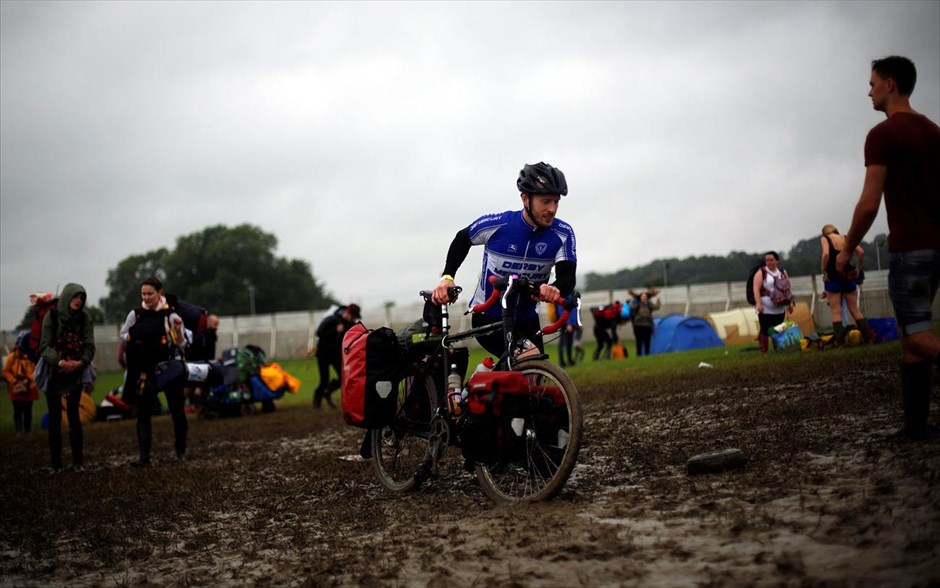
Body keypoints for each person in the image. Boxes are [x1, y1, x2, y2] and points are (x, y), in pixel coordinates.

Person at [837, 55, 940, 439]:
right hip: (936, 246)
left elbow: (868, 204)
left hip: (911, 247)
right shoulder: (933, 131)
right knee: (913, 336)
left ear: (890, 84)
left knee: (914, 334)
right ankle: (915, 427)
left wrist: (847, 248)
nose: (869, 90)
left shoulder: (882, 135)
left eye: (872, 83)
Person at [431, 162, 577, 357]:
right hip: (488, 316)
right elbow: (462, 239)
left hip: (527, 319)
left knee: (536, 378)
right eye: (546, 201)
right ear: (526, 199)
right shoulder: (498, 225)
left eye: (556, 202)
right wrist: (448, 276)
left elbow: (567, 278)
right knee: (530, 358)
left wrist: (555, 288)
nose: (552, 209)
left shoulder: (563, 234)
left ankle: (487, 378)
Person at [119, 277, 189, 466]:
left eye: (150, 293)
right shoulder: (135, 315)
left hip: (169, 368)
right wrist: (134, 336)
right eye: (143, 294)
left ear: (160, 293)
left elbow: (183, 344)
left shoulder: (171, 316)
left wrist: (179, 332)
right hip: (144, 369)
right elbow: (123, 334)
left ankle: (180, 451)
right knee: (143, 412)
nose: (147, 297)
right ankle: (144, 458)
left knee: (177, 410)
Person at [38, 283, 96, 471]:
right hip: (55, 372)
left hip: (76, 374)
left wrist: (80, 363)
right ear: (66, 297)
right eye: (74, 297)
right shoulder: (52, 317)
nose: (78, 301)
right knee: (55, 417)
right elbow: (44, 346)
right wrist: (61, 362)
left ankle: (78, 462)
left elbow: (89, 345)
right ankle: (56, 464)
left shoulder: (84, 318)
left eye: (81, 298)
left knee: (74, 416)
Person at [820, 224, 870, 346]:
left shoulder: (825, 238)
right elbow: (861, 252)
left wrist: (824, 270)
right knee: (854, 310)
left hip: (833, 278)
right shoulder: (847, 238)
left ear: (824, 233)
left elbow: (826, 254)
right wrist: (858, 267)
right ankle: (868, 339)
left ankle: (841, 343)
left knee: (836, 311)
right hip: (848, 277)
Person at [312, 304, 361, 409]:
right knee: (324, 380)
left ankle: (327, 392)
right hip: (323, 354)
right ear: (347, 312)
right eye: (353, 316)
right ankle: (317, 402)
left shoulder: (350, 325)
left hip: (337, 355)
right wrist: (335, 331)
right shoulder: (332, 319)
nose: (353, 319)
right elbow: (319, 332)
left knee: (343, 378)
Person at [752, 251, 795, 353]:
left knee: (778, 328)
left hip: (780, 307)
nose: (769, 262)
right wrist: (758, 303)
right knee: (765, 329)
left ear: (777, 261)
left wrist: (790, 303)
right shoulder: (761, 272)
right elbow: (756, 288)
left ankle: (778, 348)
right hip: (766, 308)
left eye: (771, 260)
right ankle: (764, 350)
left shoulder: (783, 272)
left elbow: (787, 289)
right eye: (767, 260)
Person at [3, 344, 40, 434]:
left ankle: (28, 430)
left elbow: (37, 370)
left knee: (28, 409)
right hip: (16, 385)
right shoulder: (12, 356)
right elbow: (6, 371)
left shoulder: (32, 356)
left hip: (30, 385)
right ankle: (18, 430)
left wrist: (29, 379)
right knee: (17, 409)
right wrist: (14, 380)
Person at [630, 289, 661, 357]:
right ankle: (639, 355)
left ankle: (647, 355)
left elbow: (657, 307)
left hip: (647, 325)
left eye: (645, 296)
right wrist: (631, 300)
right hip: (638, 325)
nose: (644, 297)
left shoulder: (649, 304)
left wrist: (658, 299)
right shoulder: (637, 304)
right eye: (643, 296)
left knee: (647, 341)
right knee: (639, 342)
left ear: (647, 297)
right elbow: (632, 307)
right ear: (640, 297)